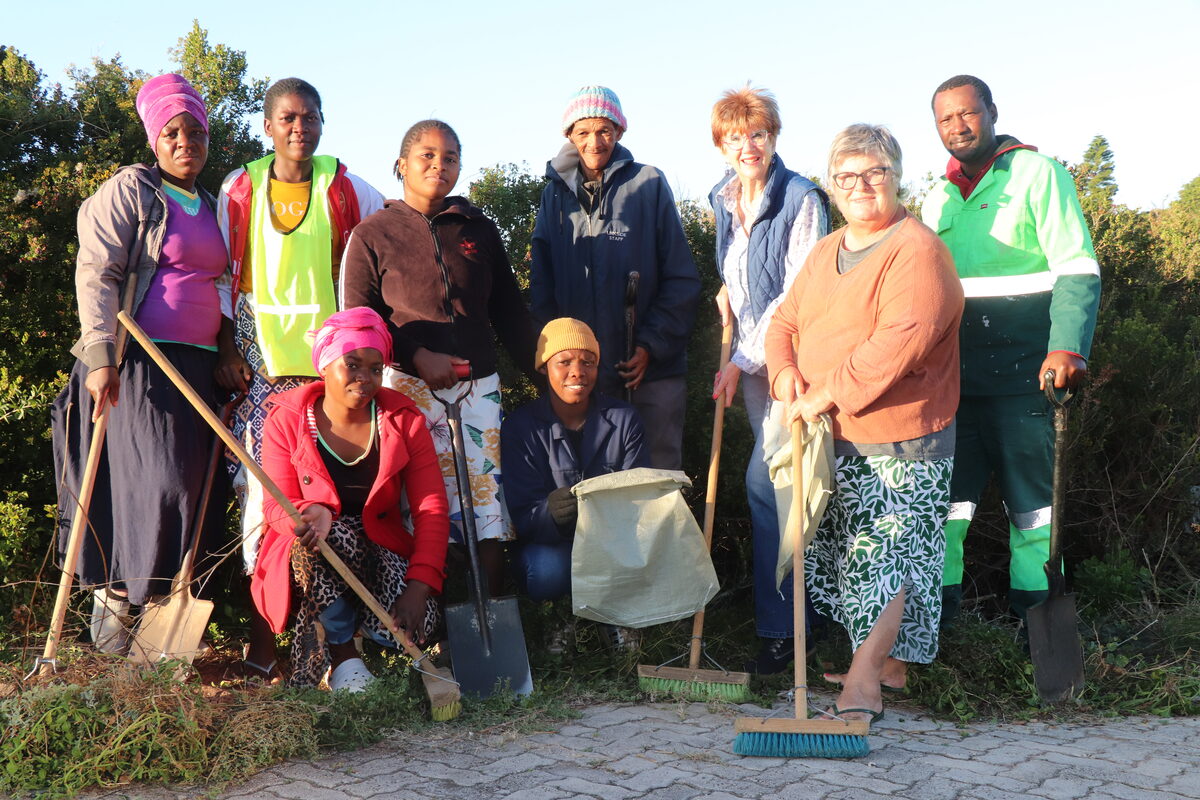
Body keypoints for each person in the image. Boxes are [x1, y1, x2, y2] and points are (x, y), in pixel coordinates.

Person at [765, 124, 964, 724]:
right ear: (830, 186)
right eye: (846, 176)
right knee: (847, 556)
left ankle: (863, 687)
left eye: (874, 172)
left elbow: (895, 344)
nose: (860, 185)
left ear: (897, 177)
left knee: (888, 555)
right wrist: (784, 378)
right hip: (835, 433)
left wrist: (822, 392)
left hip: (904, 436)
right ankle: (890, 665)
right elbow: (783, 325)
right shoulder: (827, 251)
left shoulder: (917, 250)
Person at [51, 73, 238, 652]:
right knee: (152, 487)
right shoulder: (133, 190)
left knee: (193, 494)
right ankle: (114, 630)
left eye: (197, 131)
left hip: (199, 369)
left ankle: (159, 640)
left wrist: (229, 350)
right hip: (138, 365)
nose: (186, 142)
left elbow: (230, 286)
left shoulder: (217, 205)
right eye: (173, 132)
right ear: (155, 139)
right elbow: (98, 271)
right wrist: (102, 355)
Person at [217, 77, 384, 680]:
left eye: (310, 117)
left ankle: (338, 656)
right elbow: (221, 277)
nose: (300, 128)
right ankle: (263, 653)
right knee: (264, 511)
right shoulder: (240, 188)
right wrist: (222, 347)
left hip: (332, 383)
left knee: (329, 505)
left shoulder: (343, 186)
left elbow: (386, 232)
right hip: (263, 377)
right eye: (288, 117)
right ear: (268, 125)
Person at [922, 75, 1101, 626]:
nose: (958, 126)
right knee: (944, 514)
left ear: (991, 112)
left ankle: (1037, 631)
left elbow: (1077, 268)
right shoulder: (937, 197)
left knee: (1034, 515)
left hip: (1029, 381)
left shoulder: (1038, 174)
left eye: (967, 113)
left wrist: (1068, 347)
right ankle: (939, 635)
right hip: (957, 388)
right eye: (945, 119)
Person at [340, 119, 538, 596]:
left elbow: (510, 311)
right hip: (408, 387)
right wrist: (416, 353)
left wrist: (544, 369)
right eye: (427, 155)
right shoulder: (372, 234)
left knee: (486, 504)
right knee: (422, 504)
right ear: (401, 165)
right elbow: (358, 320)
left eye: (450, 157)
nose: (439, 164)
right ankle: (433, 621)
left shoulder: (479, 230)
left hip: (478, 388)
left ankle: (489, 610)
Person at [255, 307, 449, 691]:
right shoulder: (286, 420)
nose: (366, 378)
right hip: (313, 552)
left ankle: (363, 637)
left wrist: (419, 585)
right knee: (330, 537)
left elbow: (431, 508)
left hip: (380, 551)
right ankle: (345, 659)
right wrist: (308, 513)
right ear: (325, 365)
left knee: (417, 624)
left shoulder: (404, 420)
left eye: (376, 369)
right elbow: (274, 506)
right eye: (353, 364)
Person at [708, 85, 829, 674]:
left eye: (758, 134)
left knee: (769, 485)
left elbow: (796, 294)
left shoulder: (800, 197)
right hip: (753, 365)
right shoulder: (723, 197)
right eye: (736, 137)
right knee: (781, 491)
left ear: (774, 137)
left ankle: (784, 634)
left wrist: (741, 361)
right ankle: (798, 626)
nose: (748, 146)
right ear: (722, 146)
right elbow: (744, 270)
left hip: (794, 366)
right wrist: (728, 292)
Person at [530, 85, 701, 470]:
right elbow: (542, 288)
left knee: (656, 482)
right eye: (584, 132)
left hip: (652, 373)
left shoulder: (649, 183)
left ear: (620, 132)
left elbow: (681, 278)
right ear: (569, 135)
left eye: (605, 130)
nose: (594, 142)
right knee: (593, 486)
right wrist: (555, 357)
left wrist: (651, 347)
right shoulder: (553, 197)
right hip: (583, 375)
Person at [501, 318, 650, 602]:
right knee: (547, 571)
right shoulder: (519, 428)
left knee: (645, 556)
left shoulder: (625, 420)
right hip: (550, 546)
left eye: (588, 362)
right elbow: (521, 518)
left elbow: (640, 500)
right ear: (544, 366)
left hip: (612, 542)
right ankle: (559, 616)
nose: (577, 372)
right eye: (564, 362)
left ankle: (613, 614)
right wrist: (551, 513)